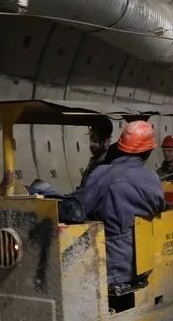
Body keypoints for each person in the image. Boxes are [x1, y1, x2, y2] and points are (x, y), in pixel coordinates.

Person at [71, 120, 165, 290]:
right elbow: (159, 208)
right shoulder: (153, 178)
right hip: (141, 262)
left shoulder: (102, 174)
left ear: (119, 147)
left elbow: (77, 208)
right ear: (148, 152)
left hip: (112, 267)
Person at [79, 117, 115, 187]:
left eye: (95, 141)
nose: (91, 144)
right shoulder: (94, 162)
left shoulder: (106, 166)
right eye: (91, 139)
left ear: (106, 142)